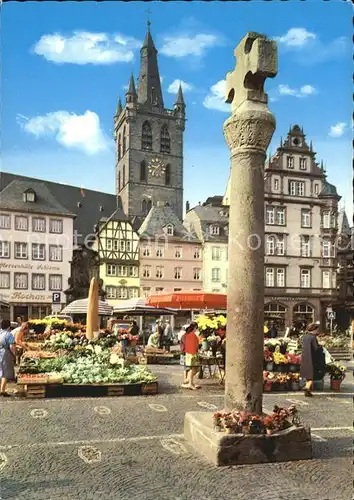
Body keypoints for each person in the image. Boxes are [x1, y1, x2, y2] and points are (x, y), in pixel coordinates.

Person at [300, 323, 325, 397]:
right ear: (314, 330)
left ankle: (307, 390)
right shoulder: (313, 337)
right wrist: (321, 346)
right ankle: (307, 388)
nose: (317, 331)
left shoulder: (305, 336)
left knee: (308, 375)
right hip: (312, 358)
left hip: (305, 358)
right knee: (312, 374)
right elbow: (316, 348)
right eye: (316, 329)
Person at [180, 322, 200, 390]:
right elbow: (194, 345)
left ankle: (189, 381)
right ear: (195, 328)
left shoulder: (190, 335)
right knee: (193, 368)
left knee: (193, 368)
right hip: (191, 354)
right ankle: (189, 383)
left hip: (190, 354)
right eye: (196, 328)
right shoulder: (191, 335)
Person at [0, 319, 16, 397]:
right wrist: (14, 354)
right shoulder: (9, 334)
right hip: (5, 352)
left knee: (0, 370)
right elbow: (11, 346)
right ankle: (2, 390)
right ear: (9, 326)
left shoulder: (0, 332)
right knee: (5, 372)